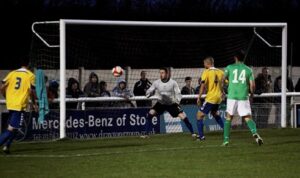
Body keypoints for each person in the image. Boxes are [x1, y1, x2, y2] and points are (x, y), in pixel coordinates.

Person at [222, 51, 263, 146]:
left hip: (232, 96)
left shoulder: (229, 67)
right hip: (243, 96)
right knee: (247, 118)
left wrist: (222, 91)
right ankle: (255, 133)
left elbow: (222, 80)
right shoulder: (248, 69)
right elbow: (252, 85)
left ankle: (226, 140)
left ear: (235, 57)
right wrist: (252, 94)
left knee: (229, 118)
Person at [141, 67, 196, 138]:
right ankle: (146, 134)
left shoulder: (173, 83)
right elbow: (148, 92)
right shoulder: (156, 83)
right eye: (160, 73)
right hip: (161, 104)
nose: (161, 74)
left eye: (162, 73)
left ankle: (193, 133)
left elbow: (178, 94)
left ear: (167, 74)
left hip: (171, 104)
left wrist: (177, 102)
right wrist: (149, 94)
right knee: (150, 114)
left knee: (183, 117)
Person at [0, 57, 38, 154]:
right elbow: (31, 91)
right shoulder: (30, 75)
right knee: (12, 128)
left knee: (14, 127)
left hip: (11, 103)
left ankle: (7, 146)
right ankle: (4, 144)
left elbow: (2, 86)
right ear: (29, 65)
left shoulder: (12, 73)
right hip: (19, 105)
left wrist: (5, 96)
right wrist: (34, 103)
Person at [196, 57, 224, 140]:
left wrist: (199, 97)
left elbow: (203, 85)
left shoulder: (206, 72)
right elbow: (224, 83)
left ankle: (201, 137)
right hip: (218, 98)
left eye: (204, 63)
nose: (204, 65)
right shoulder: (221, 72)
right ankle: (226, 131)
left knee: (199, 116)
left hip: (211, 97)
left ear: (207, 64)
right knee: (215, 113)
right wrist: (223, 92)